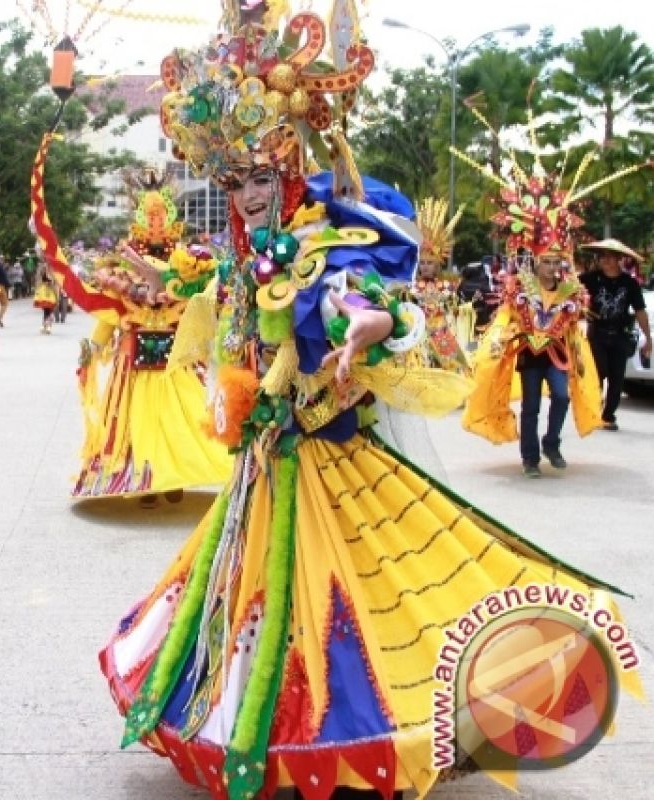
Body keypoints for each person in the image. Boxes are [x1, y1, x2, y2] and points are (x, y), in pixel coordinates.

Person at [31, 4, 641, 797]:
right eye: (233, 181)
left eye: (258, 177)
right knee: (259, 603)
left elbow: (369, 303)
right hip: (265, 466)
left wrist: (370, 321)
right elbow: (218, 323)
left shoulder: (325, 243)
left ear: (288, 167)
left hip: (332, 461)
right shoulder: (243, 257)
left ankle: (345, 736)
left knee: (355, 609)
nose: (246, 196)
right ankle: (258, 722)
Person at [31, 160, 231, 504]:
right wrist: (94, 346)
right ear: (137, 217)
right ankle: (143, 477)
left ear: (171, 216)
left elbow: (199, 307)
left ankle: (175, 476)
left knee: (177, 419)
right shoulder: (121, 265)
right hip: (132, 355)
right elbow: (112, 310)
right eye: (148, 214)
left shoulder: (188, 263)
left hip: (175, 358)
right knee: (137, 422)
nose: (155, 221)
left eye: (161, 213)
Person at [456, 117, 646, 476]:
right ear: (536, 261)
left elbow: (574, 327)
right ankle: (530, 458)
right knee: (530, 404)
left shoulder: (572, 291)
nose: (553, 267)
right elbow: (505, 320)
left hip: (557, 354)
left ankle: (551, 444)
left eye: (558, 261)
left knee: (559, 396)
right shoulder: (521, 287)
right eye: (547, 261)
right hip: (530, 353)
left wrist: (571, 318)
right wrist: (506, 337)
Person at [581, 238, 652, 431]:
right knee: (598, 371)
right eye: (602, 256)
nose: (605, 260)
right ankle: (595, 407)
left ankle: (608, 415)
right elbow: (571, 291)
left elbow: (640, 310)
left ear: (619, 259)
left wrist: (648, 339)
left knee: (617, 376)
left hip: (620, 334)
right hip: (598, 333)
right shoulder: (589, 279)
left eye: (610, 257)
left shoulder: (629, 283)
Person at [408, 198, 473, 374]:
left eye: (429, 262)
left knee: (453, 372)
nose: (425, 266)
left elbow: (460, 309)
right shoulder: (411, 287)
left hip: (443, 335)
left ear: (438, 264)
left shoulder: (450, 285)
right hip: (418, 337)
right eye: (422, 263)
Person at [33, 268, 58, 334]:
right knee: (48, 312)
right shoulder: (48, 275)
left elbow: (38, 285)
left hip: (47, 296)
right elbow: (54, 289)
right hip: (47, 297)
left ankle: (45, 326)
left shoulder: (50, 274)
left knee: (47, 312)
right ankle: (47, 326)